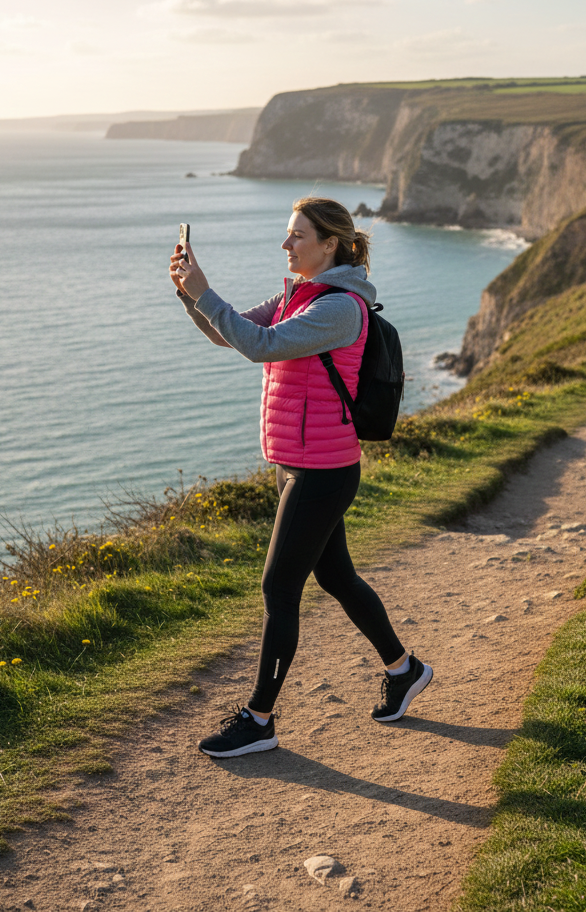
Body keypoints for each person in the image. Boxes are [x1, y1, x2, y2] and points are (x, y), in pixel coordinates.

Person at [169, 196, 433, 758]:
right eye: (288, 235)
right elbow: (231, 333)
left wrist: (205, 293)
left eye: (297, 237)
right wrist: (191, 297)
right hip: (304, 464)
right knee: (336, 578)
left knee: (278, 588)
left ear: (329, 244)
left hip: (324, 470)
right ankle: (404, 669)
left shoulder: (340, 308)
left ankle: (259, 719)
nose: (285, 245)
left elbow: (261, 344)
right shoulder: (297, 294)